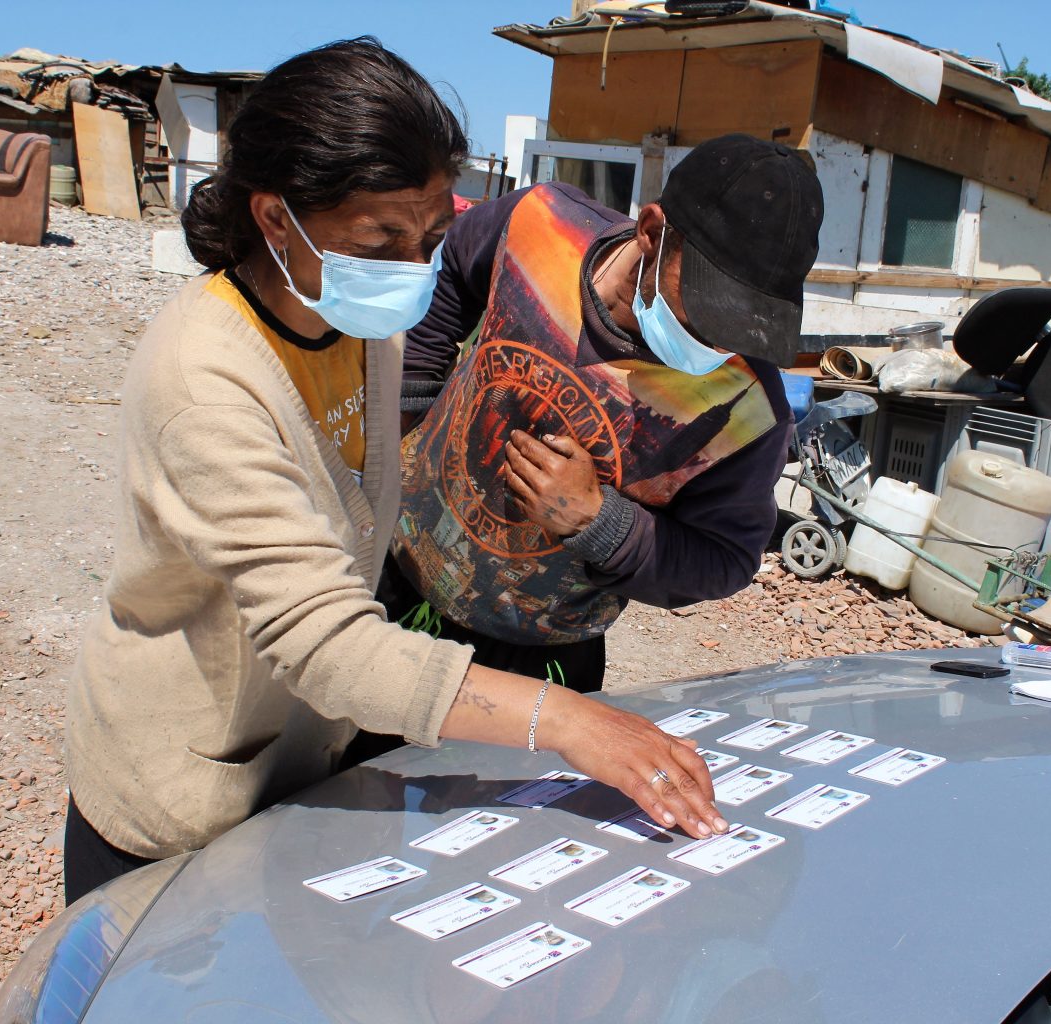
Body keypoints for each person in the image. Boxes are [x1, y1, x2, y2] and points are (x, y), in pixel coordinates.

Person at [63, 38, 725, 905]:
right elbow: (323, 641)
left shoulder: (359, 322)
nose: (415, 270)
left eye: (432, 237)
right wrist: (561, 719)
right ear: (274, 219)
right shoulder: (205, 381)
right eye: (381, 240)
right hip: (185, 790)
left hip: (299, 765)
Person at [388, 134, 824, 692]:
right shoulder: (539, 225)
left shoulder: (748, 410)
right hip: (398, 587)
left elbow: (725, 560)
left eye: (746, 324)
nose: (718, 343)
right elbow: (449, 270)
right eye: (710, 306)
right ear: (652, 232)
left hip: (539, 657)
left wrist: (600, 524)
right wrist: (414, 402)